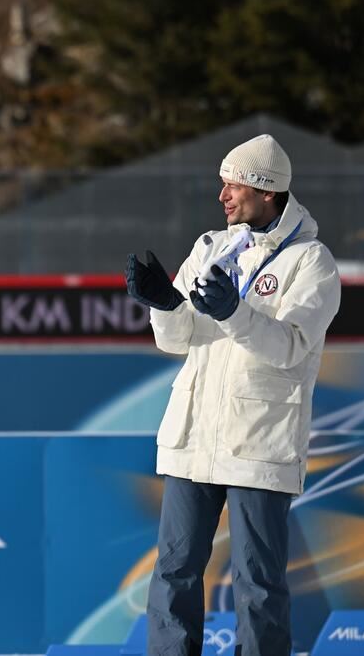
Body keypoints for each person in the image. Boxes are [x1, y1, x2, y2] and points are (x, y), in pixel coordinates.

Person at [125, 134, 341, 655]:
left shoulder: (311, 262)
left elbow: (290, 347)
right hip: (195, 435)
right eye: (221, 183)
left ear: (267, 190)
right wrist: (164, 306)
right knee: (174, 570)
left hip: (259, 441)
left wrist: (234, 313)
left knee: (257, 579)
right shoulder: (211, 247)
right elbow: (178, 340)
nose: (222, 195)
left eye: (234, 184)